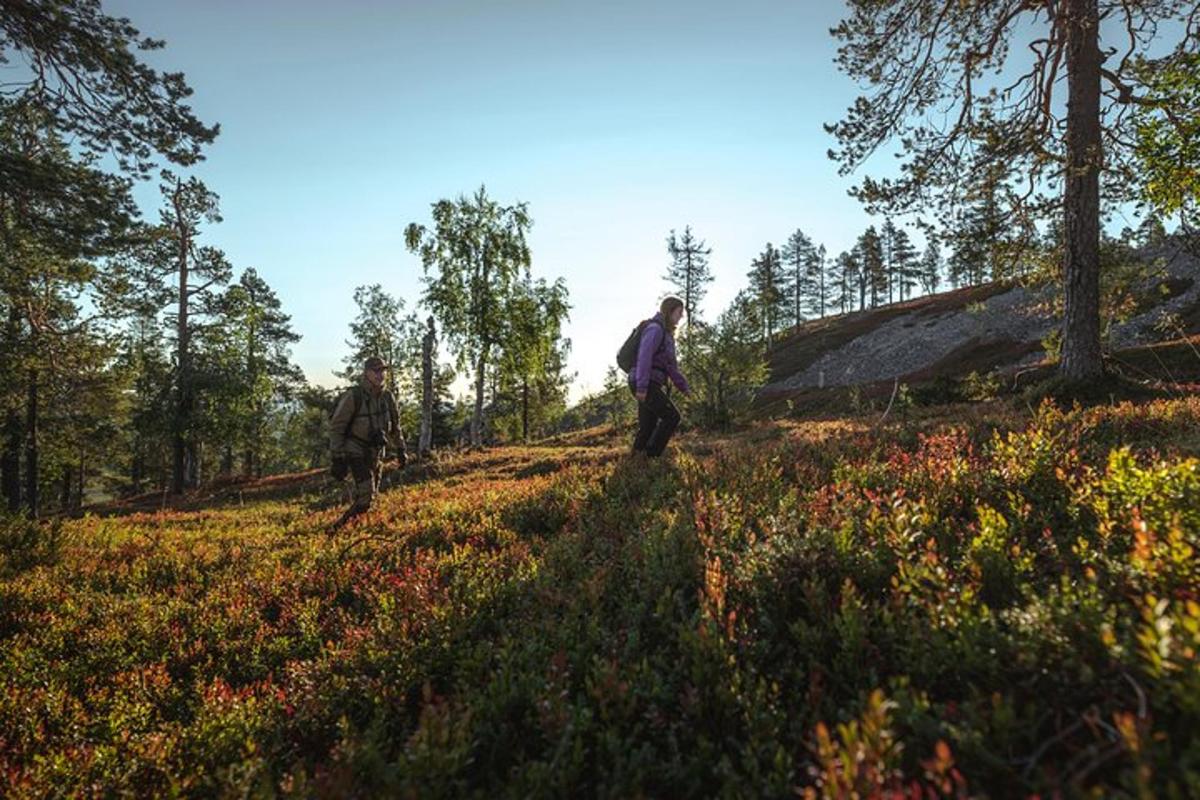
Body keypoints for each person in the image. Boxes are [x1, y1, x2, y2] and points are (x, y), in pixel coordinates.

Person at [328, 356, 407, 529]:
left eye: (383, 370)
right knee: (366, 494)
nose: (380, 374)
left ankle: (355, 529)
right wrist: (337, 457)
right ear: (366, 373)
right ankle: (337, 529)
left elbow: (395, 426)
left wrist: (401, 448)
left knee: (371, 496)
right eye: (376, 370)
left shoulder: (387, 397)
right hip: (354, 451)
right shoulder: (353, 396)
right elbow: (337, 427)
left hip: (376, 453)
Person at [630, 296, 690, 457]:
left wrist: (683, 386)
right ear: (670, 311)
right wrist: (642, 387)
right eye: (679, 312)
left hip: (649, 382)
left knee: (648, 426)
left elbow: (670, 367)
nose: (681, 316)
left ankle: (634, 463)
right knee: (672, 417)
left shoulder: (667, 335)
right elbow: (644, 357)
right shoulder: (655, 330)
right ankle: (651, 458)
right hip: (644, 382)